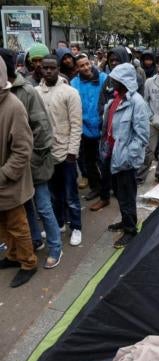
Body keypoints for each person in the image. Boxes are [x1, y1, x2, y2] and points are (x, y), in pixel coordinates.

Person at [0, 48, 63, 268]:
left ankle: (56, 248)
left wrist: (31, 159)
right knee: (26, 209)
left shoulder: (25, 91)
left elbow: (43, 130)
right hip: (17, 167)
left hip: (33, 163)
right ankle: (34, 242)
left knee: (43, 206)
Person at [36, 55, 83, 247]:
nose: (48, 71)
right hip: (46, 154)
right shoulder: (35, 92)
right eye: (45, 68)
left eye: (52, 68)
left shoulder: (70, 92)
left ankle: (77, 227)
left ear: (58, 69)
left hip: (66, 152)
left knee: (71, 194)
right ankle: (60, 223)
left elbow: (76, 124)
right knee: (54, 194)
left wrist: (73, 151)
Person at [100, 63, 149, 247]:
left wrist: (129, 157)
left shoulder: (137, 103)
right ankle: (125, 221)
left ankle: (130, 230)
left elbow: (142, 136)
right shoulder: (115, 99)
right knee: (120, 194)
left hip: (125, 160)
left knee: (127, 195)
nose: (112, 81)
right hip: (112, 156)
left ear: (125, 81)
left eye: (116, 79)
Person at [0, 56, 38, 287]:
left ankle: (28, 262)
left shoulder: (13, 106)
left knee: (18, 225)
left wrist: (3, 175)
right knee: (2, 224)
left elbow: (23, 150)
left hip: (10, 181)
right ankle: (13, 256)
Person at [90, 47, 130, 212]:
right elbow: (101, 103)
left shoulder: (133, 80)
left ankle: (123, 200)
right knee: (105, 166)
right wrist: (103, 118)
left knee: (122, 169)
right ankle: (104, 197)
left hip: (123, 135)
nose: (114, 63)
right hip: (108, 135)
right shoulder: (108, 81)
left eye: (117, 60)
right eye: (111, 60)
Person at [71, 54, 107, 202]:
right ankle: (95, 187)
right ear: (77, 68)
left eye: (87, 64)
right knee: (89, 161)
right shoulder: (74, 83)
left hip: (102, 126)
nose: (86, 67)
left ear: (91, 63)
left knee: (104, 160)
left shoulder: (104, 78)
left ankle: (107, 187)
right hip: (84, 128)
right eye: (81, 65)